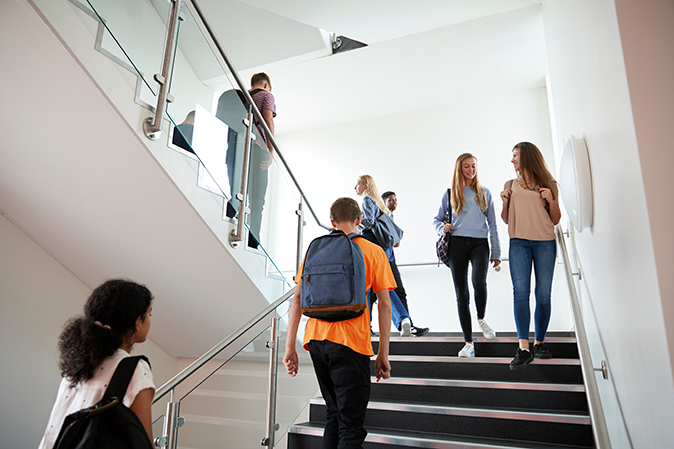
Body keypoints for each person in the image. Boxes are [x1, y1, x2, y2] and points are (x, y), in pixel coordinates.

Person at [283, 197, 393, 449]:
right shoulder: (373, 251)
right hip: (350, 342)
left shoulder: (316, 250)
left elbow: (298, 298)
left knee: (333, 414)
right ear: (359, 220)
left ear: (332, 222)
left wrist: (290, 345)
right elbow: (385, 305)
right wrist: (383, 354)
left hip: (316, 341)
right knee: (351, 426)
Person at [39, 279, 155, 449]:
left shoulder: (78, 362)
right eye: (149, 314)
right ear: (137, 322)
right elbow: (143, 443)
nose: (150, 321)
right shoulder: (135, 369)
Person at [500, 142, 561, 371]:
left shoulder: (550, 184)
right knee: (521, 293)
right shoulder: (509, 185)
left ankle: (540, 342)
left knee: (543, 294)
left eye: (515, 155)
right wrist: (505, 202)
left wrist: (551, 200)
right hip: (518, 243)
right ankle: (524, 348)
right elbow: (506, 219)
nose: (512, 160)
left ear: (526, 157)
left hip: (545, 243)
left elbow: (555, 219)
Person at [432, 153, 501, 357]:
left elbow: (493, 225)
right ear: (459, 169)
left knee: (479, 281)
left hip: (480, 243)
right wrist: (442, 227)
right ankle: (468, 343)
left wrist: (496, 250)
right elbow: (435, 220)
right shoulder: (450, 193)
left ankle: (481, 318)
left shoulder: (484, 193)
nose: (471, 170)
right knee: (461, 294)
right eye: (466, 166)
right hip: (457, 244)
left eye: (474, 166)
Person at [355, 174, 426, 337]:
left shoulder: (367, 200)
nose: (355, 188)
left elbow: (368, 222)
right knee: (384, 287)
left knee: (367, 288)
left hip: (369, 247)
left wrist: (355, 223)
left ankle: (366, 325)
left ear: (365, 185)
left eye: (357, 184)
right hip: (381, 252)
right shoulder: (379, 203)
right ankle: (404, 320)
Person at [381, 190, 429, 337]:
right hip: (382, 260)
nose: (394, 202)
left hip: (391, 260)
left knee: (400, 292)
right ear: (383, 202)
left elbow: (396, 242)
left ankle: (408, 326)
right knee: (378, 294)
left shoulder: (390, 217)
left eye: (395, 200)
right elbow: (393, 241)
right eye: (390, 200)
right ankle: (370, 328)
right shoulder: (381, 216)